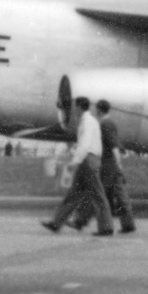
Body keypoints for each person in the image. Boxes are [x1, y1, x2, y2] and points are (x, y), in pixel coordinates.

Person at [41, 97, 114, 237]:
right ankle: (56, 223)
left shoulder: (87, 122)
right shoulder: (87, 121)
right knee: (74, 193)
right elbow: (83, 144)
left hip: (88, 160)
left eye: (75, 106)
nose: (73, 109)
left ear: (80, 107)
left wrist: (75, 161)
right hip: (88, 160)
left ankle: (106, 227)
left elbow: (85, 145)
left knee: (97, 194)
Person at [96, 100, 136, 234]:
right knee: (120, 195)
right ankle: (128, 225)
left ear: (99, 110)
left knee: (103, 197)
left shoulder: (105, 124)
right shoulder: (110, 123)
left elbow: (113, 146)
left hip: (109, 166)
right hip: (112, 165)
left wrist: (117, 164)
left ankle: (106, 228)